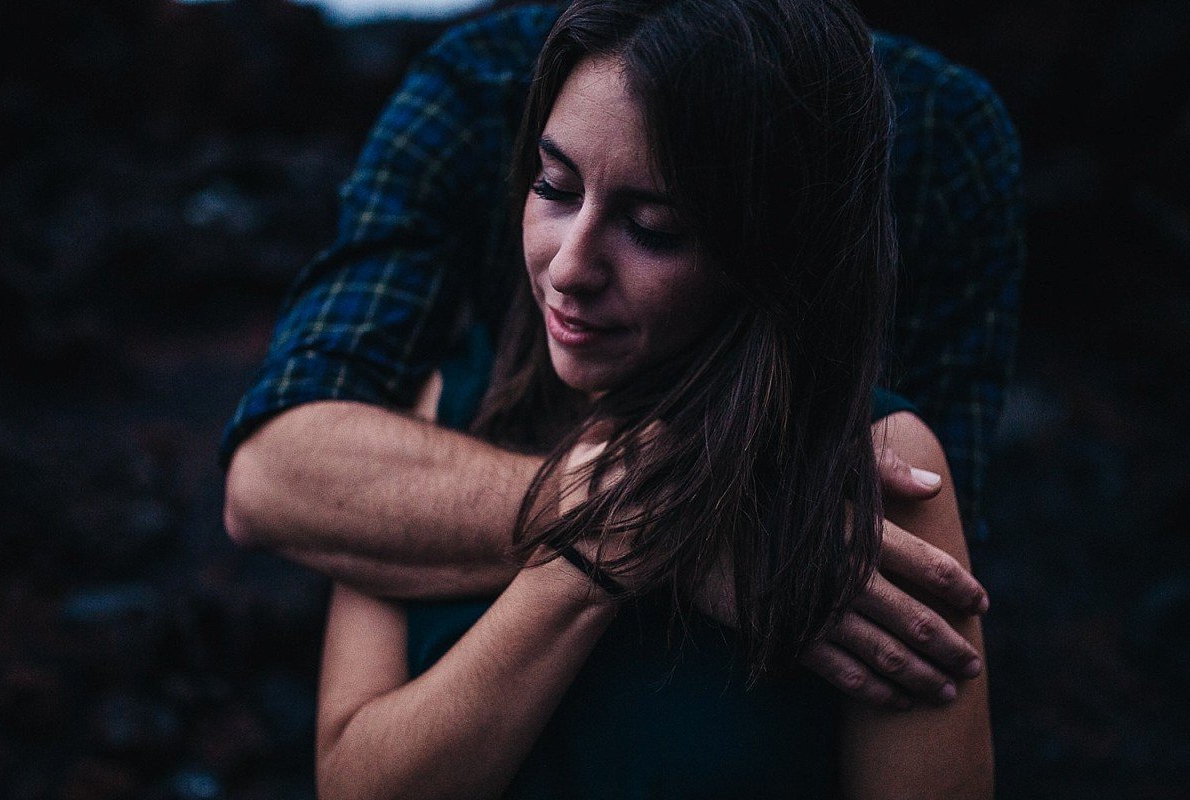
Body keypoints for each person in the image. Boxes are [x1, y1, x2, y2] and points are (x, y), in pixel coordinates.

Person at [222, 0, 1022, 712]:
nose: (570, 267)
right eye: (553, 185)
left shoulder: (939, 132)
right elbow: (272, 472)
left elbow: (917, 577)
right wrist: (677, 523)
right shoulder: (482, 79)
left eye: (657, 227)